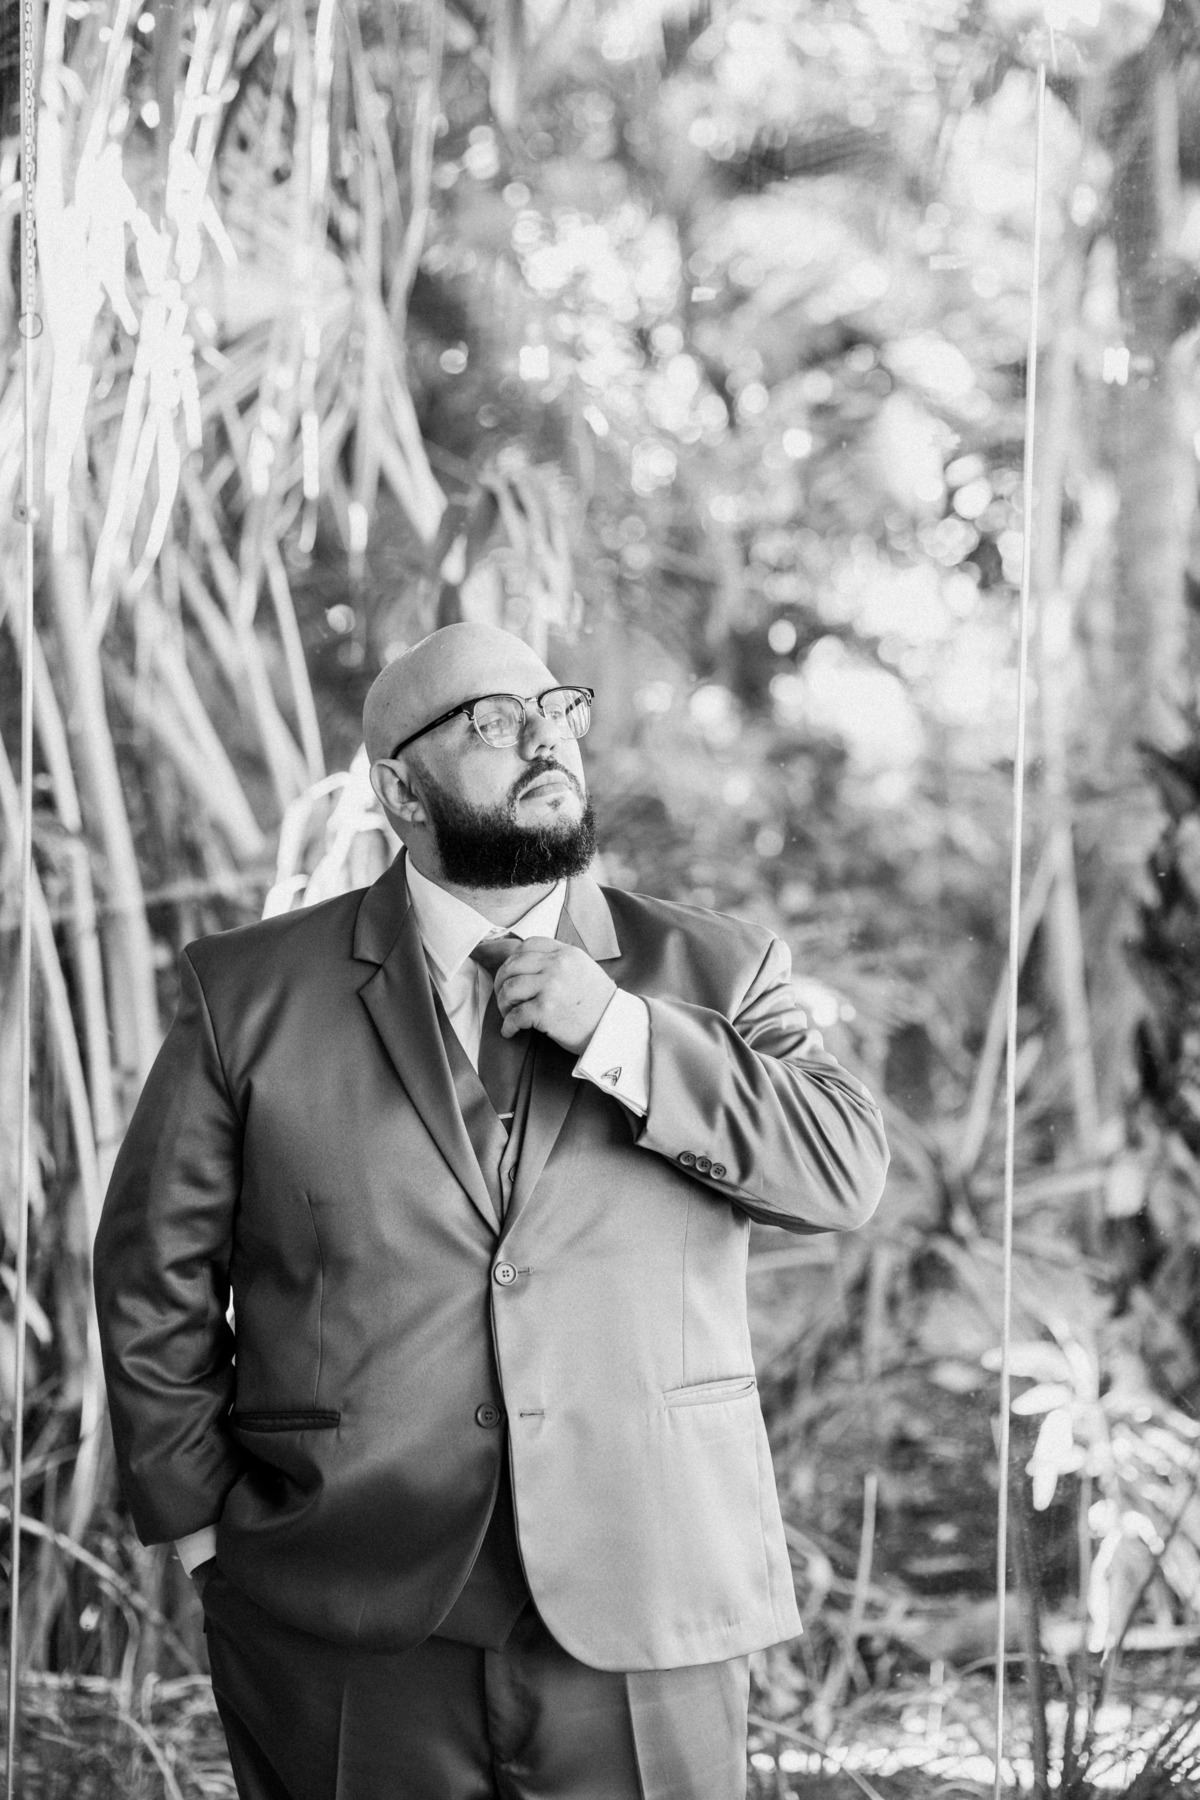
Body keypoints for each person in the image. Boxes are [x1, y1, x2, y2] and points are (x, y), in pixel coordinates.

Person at [94, 621, 888, 1800]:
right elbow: (152, 1272)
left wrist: (619, 1034)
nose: (544, 739)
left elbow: (841, 1168)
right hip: (340, 1612)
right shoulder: (248, 993)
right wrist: (204, 1529)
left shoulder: (718, 970)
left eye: (557, 709)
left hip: (647, 1593)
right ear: (400, 791)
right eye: (492, 722)